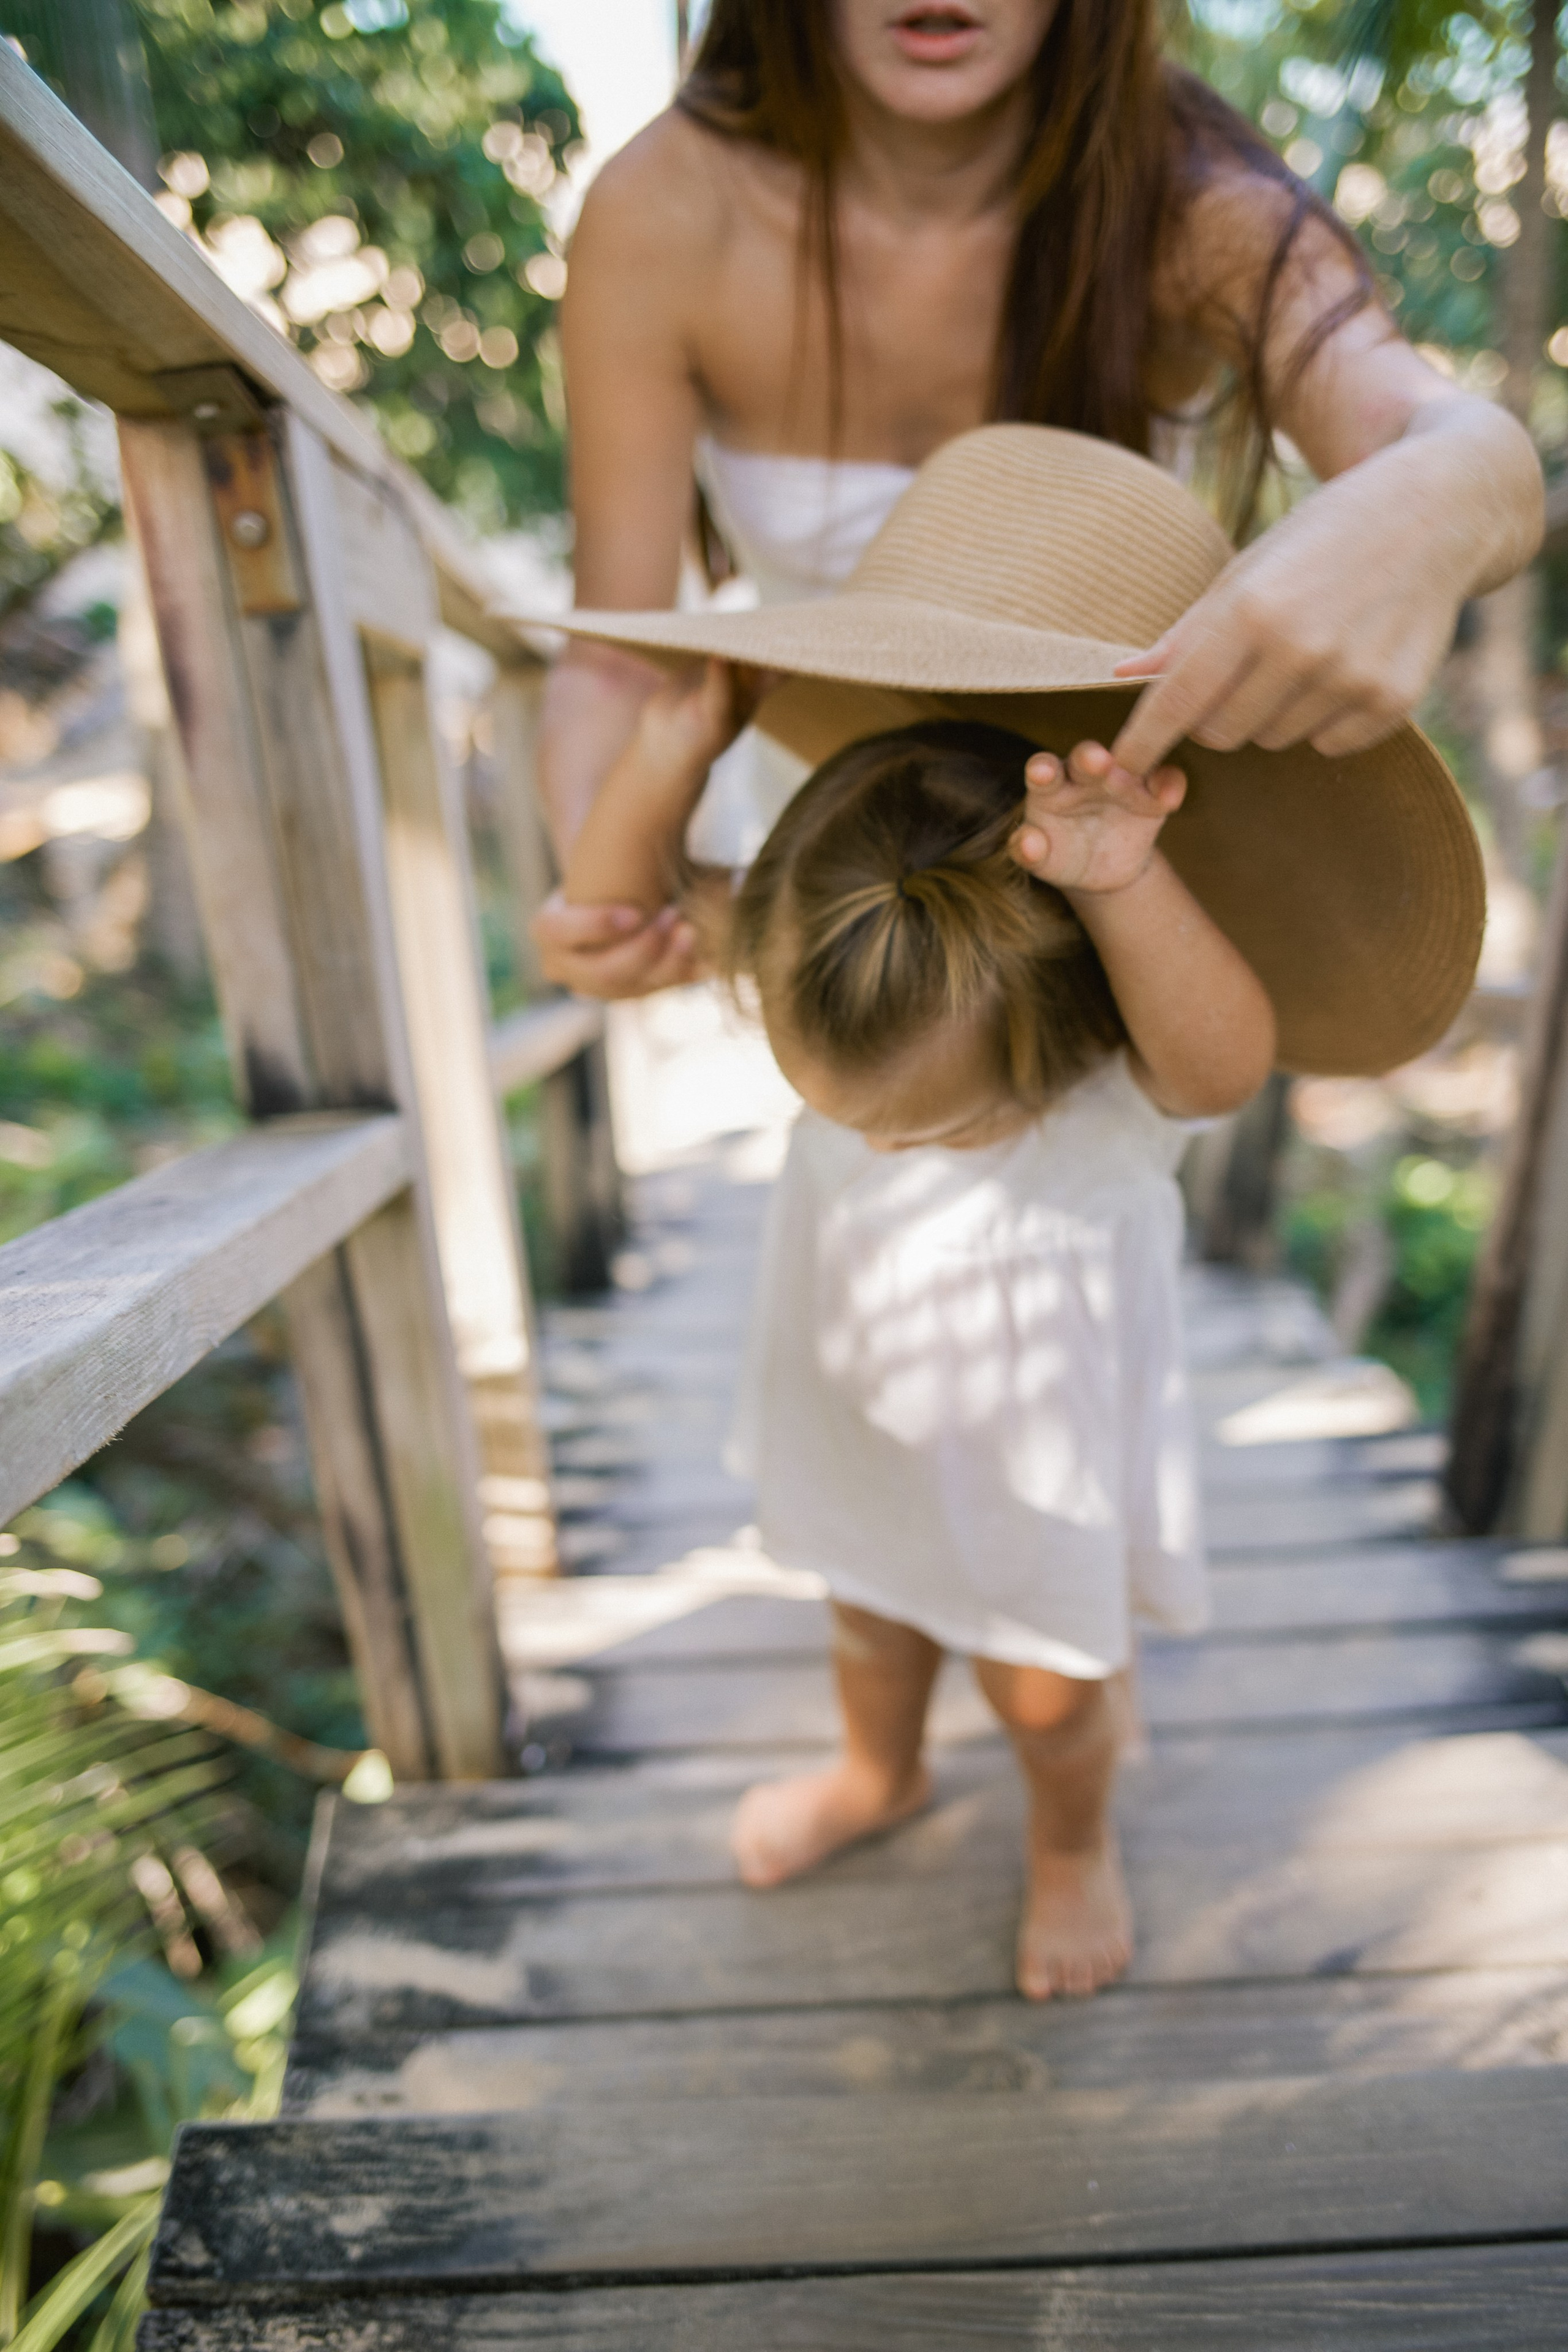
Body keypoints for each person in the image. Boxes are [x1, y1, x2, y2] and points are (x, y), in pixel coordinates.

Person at [549, 413, 1486, 2000]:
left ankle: (1069, 1845)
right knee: (867, 1613)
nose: (887, 1148)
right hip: (855, 1400)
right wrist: (667, 755)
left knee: (1050, 1688)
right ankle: (881, 1770)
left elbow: (1225, 1065)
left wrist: (1125, 882)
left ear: (1063, 1043)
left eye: (926, 1127)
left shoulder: (1105, 1031)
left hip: (1034, 1451)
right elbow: (608, 914)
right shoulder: (845, 927)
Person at [535, 0, 1540, 1000]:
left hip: (1121, 888)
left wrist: (1434, 501)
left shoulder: (1202, 205)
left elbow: (1447, 437)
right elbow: (612, 662)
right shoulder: (660, 209)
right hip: (826, 887)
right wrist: (603, 890)